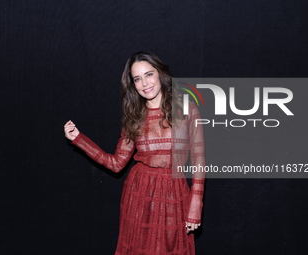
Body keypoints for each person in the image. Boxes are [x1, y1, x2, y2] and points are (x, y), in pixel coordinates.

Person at [64, 51, 205, 254]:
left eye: (149, 74)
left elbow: (200, 161)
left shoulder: (187, 109)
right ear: (133, 85)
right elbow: (116, 163)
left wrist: (195, 204)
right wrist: (79, 139)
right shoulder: (135, 118)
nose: (144, 83)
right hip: (140, 195)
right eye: (137, 79)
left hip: (175, 193)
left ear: (160, 74)